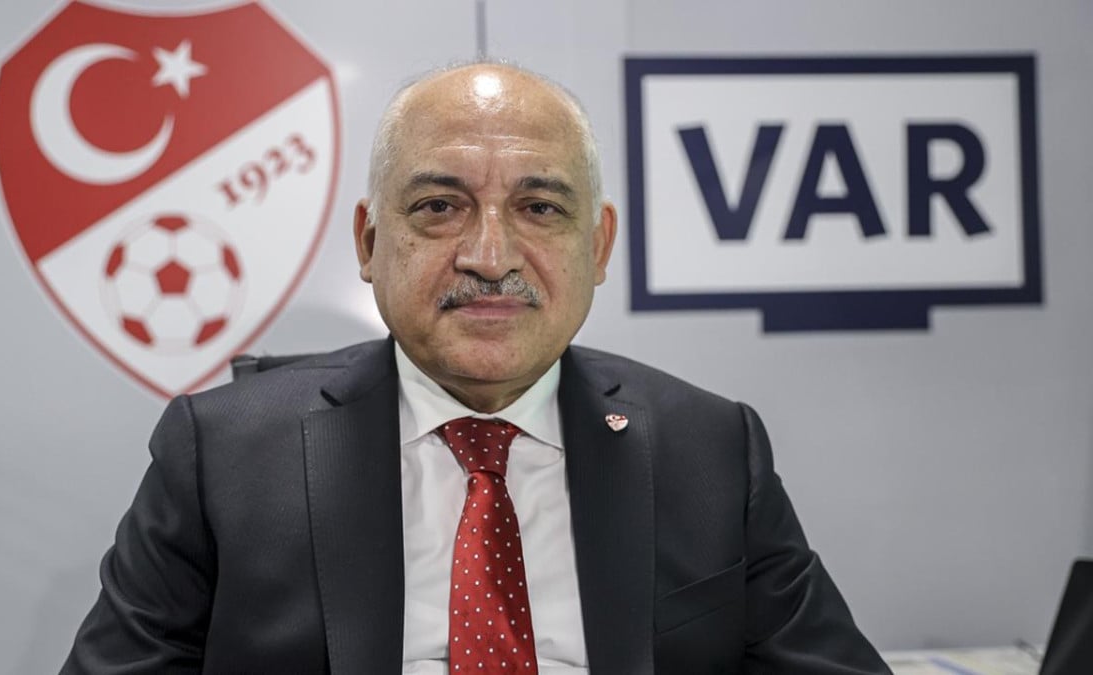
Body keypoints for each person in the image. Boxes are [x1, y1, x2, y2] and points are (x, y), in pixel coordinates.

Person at [62, 62, 890, 674]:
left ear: (598, 245)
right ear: (369, 242)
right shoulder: (219, 455)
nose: (491, 257)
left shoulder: (709, 448)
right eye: (439, 206)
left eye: (539, 207)